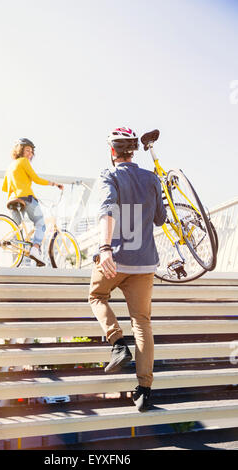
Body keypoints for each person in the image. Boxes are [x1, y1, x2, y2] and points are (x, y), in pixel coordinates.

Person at [88, 127, 166, 412]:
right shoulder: (151, 178)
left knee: (97, 296)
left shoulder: (109, 175)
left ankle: (118, 343)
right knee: (142, 322)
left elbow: (106, 210)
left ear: (112, 152)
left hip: (116, 258)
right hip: (145, 262)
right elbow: (160, 219)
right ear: (133, 151)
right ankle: (144, 390)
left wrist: (105, 248)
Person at [2, 138, 64, 265]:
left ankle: (14, 259)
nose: (30, 154)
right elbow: (36, 179)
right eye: (27, 150)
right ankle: (35, 249)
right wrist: (54, 184)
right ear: (20, 150)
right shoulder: (24, 161)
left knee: (17, 231)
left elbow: (5, 187)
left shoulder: (9, 167)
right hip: (27, 198)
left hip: (12, 199)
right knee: (40, 223)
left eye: (32, 152)